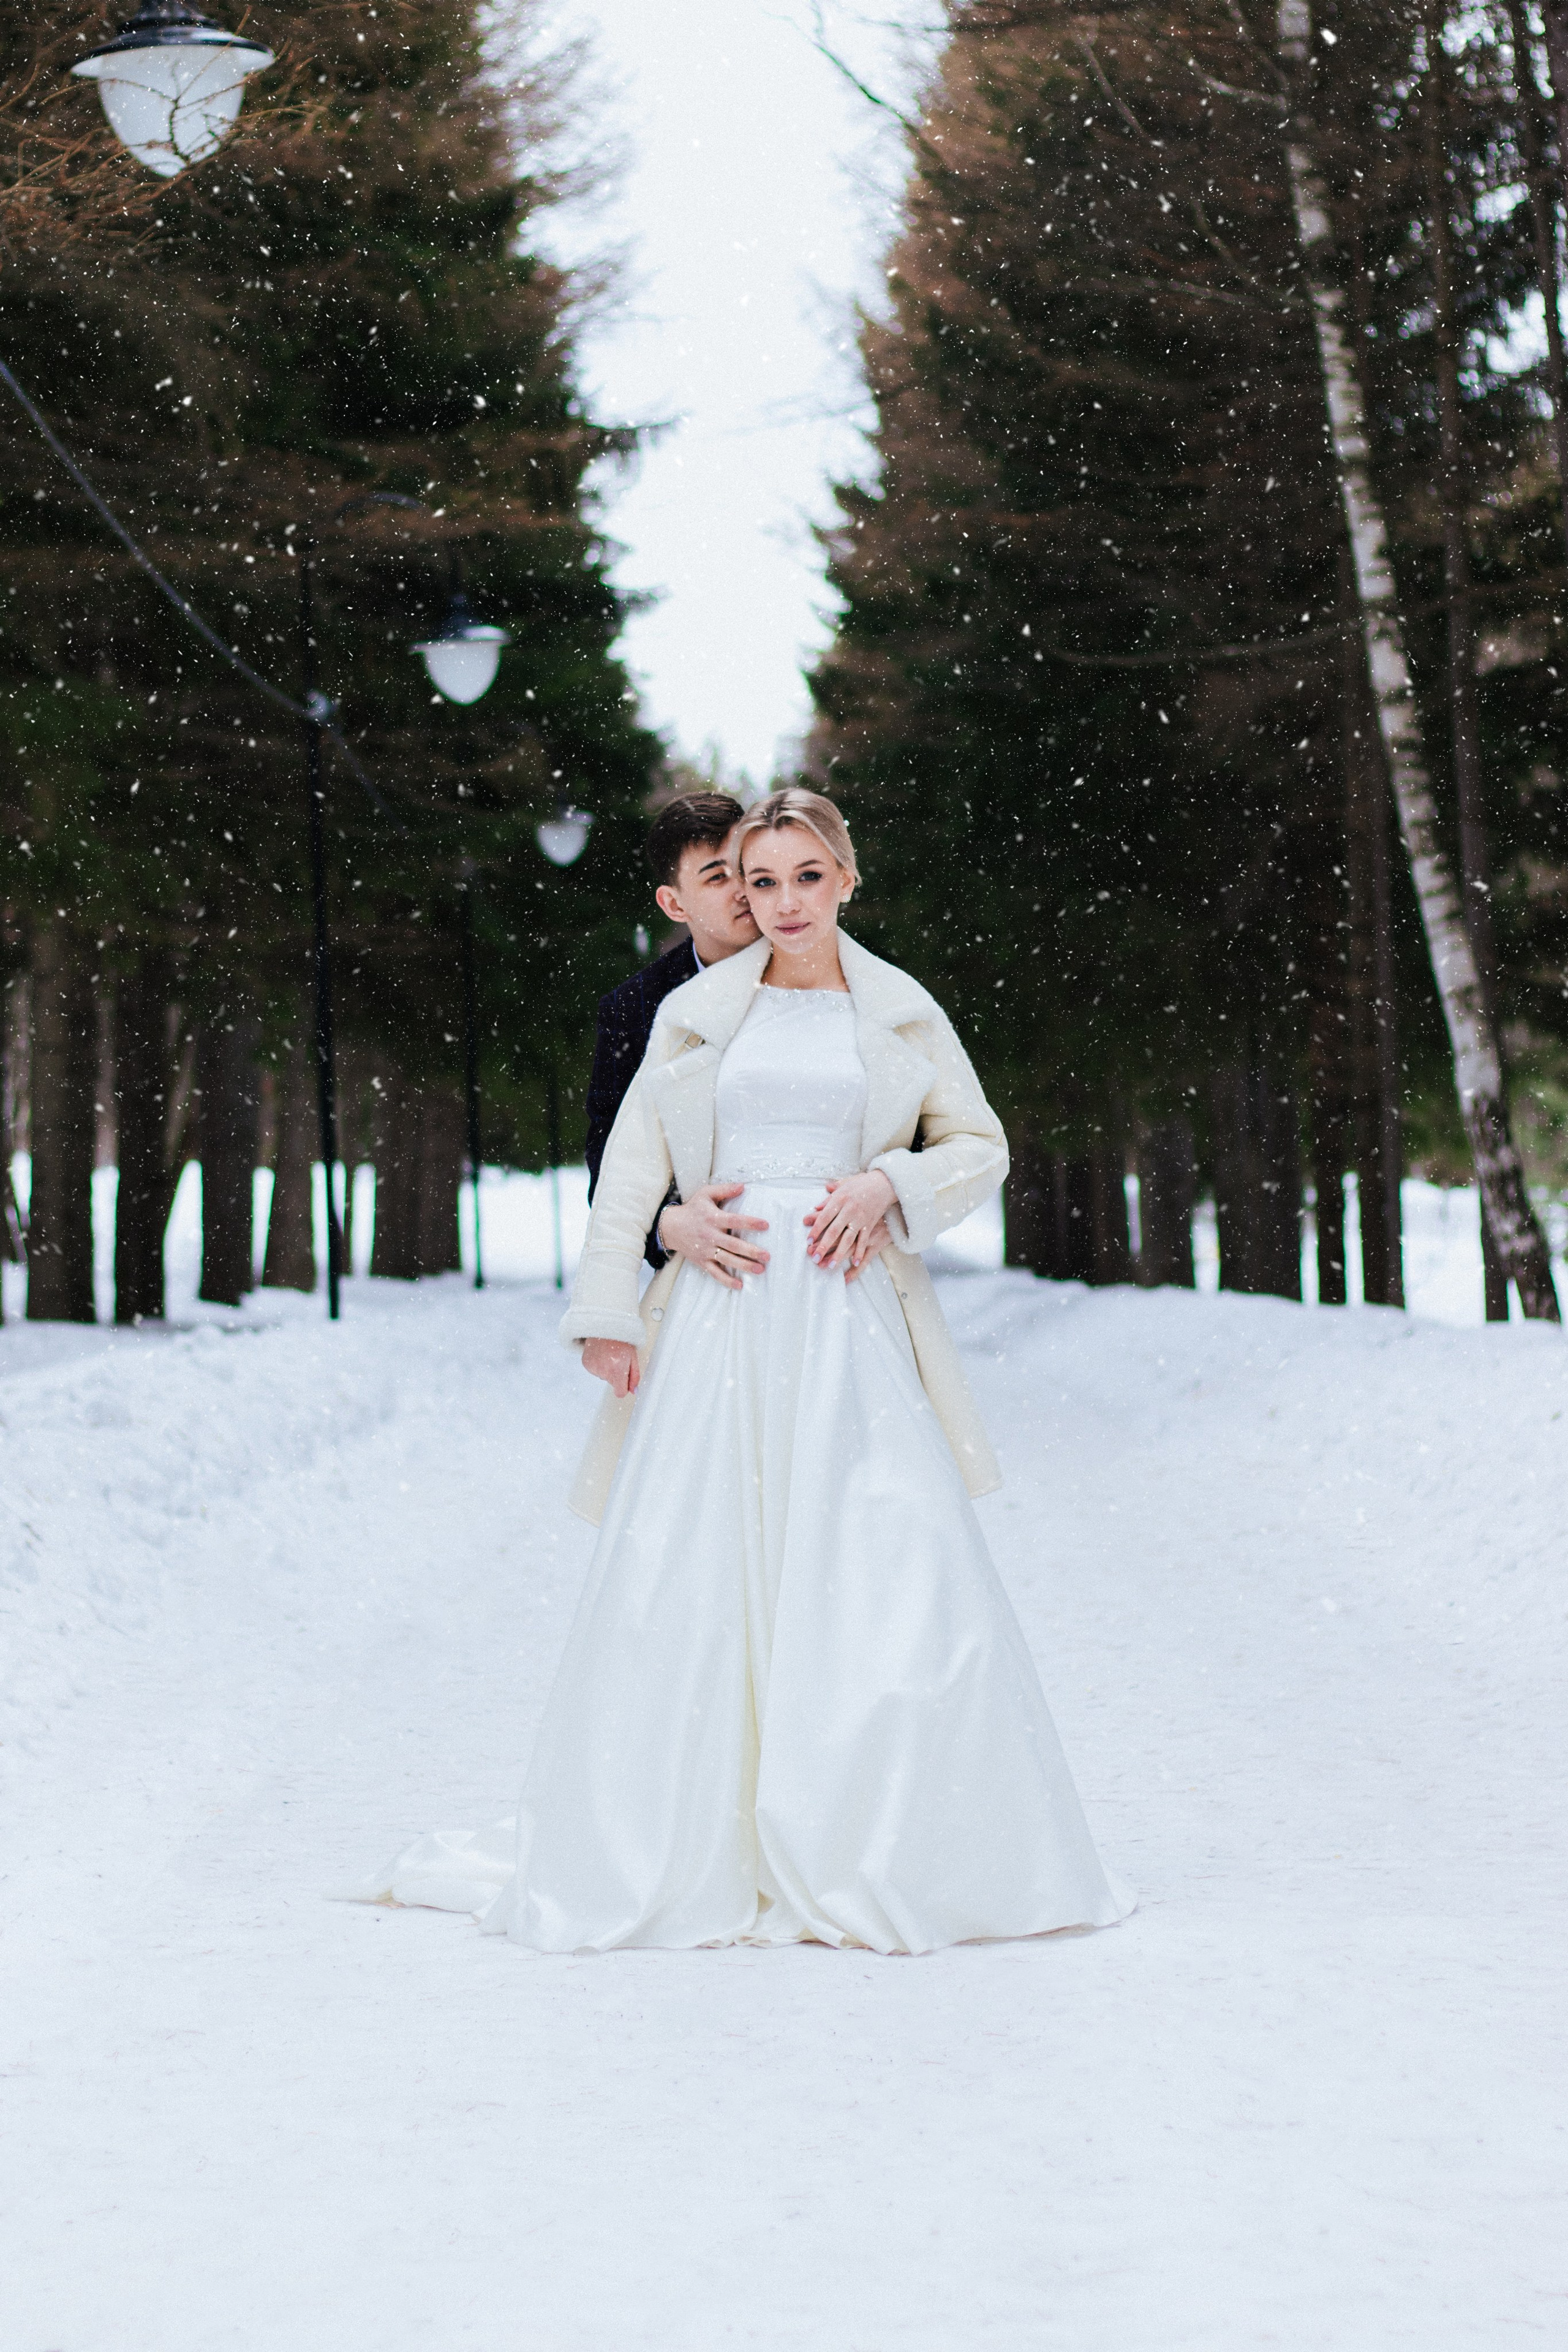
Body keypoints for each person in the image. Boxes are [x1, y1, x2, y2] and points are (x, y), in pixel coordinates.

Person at [357, 788, 1131, 1954]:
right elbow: (630, 1175)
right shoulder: (696, 1016)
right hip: (721, 1319)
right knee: (696, 1562)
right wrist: (612, 1306)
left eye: (804, 878)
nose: (780, 902)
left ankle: (890, 1834)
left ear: (846, 879)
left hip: (849, 1315)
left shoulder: (904, 1011)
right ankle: (688, 1834)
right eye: (758, 881)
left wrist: (890, 1187)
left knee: (879, 1556)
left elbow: (980, 1146)